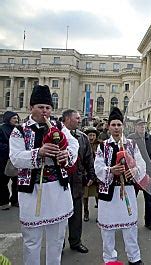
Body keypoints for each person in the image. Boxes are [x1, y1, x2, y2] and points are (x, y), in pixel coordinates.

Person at [9, 85, 79, 265]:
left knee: (56, 240)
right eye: (41, 107)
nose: (45, 111)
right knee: (32, 240)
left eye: (48, 107)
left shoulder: (58, 126)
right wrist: (38, 152)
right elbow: (16, 158)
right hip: (32, 191)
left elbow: (73, 144)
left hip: (57, 189)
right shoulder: (20, 130)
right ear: (31, 107)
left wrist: (67, 154)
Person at [94, 107, 146, 265]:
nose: (116, 128)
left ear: (123, 126)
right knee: (107, 229)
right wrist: (111, 171)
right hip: (108, 192)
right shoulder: (102, 146)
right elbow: (98, 168)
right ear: (108, 126)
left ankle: (134, 257)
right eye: (113, 125)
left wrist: (134, 171)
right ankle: (109, 258)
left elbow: (142, 164)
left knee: (130, 227)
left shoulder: (131, 145)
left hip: (127, 191)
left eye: (119, 125)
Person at [62, 109, 94, 253]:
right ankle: (59, 244)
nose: (79, 120)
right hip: (60, 181)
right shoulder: (56, 135)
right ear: (68, 119)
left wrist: (91, 176)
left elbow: (89, 158)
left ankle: (75, 242)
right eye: (77, 118)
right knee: (60, 215)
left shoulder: (82, 137)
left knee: (76, 213)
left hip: (77, 180)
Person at [128, 118, 151, 231]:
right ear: (135, 127)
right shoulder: (131, 139)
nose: (142, 127)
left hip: (148, 174)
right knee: (132, 198)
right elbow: (127, 155)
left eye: (144, 125)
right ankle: (129, 220)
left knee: (149, 199)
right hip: (135, 174)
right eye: (140, 125)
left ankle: (149, 221)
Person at [0, 111, 19, 210]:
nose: (16, 120)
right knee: (3, 182)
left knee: (17, 182)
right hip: (4, 160)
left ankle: (15, 200)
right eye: (14, 118)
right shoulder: (2, 129)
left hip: (16, 160)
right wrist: (12, 148)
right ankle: (4, 201)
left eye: (17, 118)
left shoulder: (18, 129)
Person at [83, 126, 100, 221]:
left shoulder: (99, 145)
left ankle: (100, 213)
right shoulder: (83, 145)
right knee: (85, 195)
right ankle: (86, 212)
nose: (91, 137)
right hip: (86, 174)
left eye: (93, 135)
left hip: (97, 174)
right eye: (90, 135)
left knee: (98, 194)